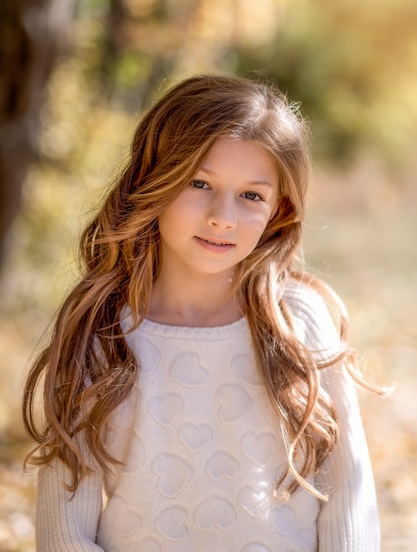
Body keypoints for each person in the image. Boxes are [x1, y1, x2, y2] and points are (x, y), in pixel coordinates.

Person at [23, 73, 381, 551]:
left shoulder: (298, 319)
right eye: (199, 182)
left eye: (251, 195)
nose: (222, 216)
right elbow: (64, 530)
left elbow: (349, 500)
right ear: (154, 180)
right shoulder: (102, 331)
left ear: (279, 210)